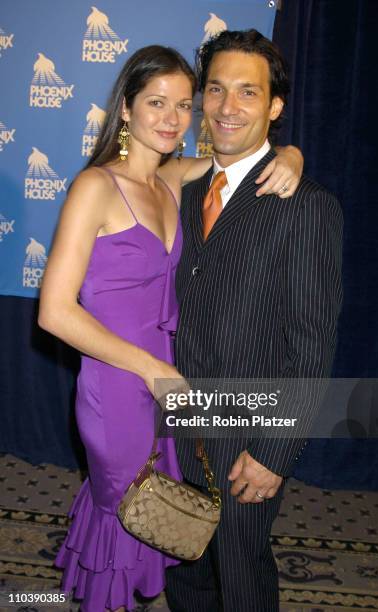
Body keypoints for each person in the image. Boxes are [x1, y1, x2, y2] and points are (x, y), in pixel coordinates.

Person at [38, 44, 303, 612]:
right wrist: (153, 370)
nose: (172, 118)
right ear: (126, 109)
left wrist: (294, 154)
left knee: (156, 519)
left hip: (168, 389)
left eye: (184, 105)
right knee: (124, 523)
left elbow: (248, 157)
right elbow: (54, 311)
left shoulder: (171, 179)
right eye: (156, 102)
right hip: (120, 389)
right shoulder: (95, 188)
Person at [165, 29, 344, 612]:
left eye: (248, 93)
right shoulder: (183, 188)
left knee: (240, 572)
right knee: (184, 560)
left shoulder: (305, 205)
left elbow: (312, 345)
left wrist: (275, 449)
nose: (227, 107)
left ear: (275, 107)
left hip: (249, 432)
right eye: (215, 90)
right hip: (175, 424)